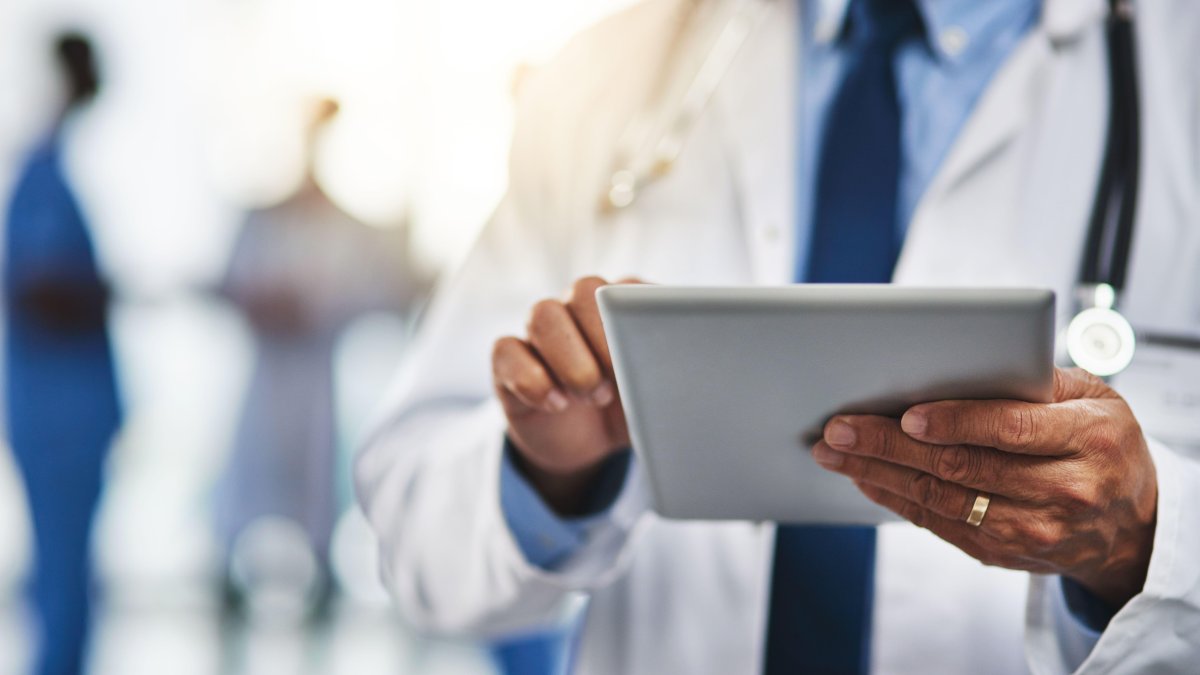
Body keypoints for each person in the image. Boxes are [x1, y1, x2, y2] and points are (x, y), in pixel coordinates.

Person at [356, 0, 1200, 673]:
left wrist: (1149, 542)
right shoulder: (605, 78)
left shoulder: (1179, 68)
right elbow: (417, 539)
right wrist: (548, 473)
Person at [215, 98, 419, 616]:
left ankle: (322, 578)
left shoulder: (348, 227)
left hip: (317, 383)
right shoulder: (262, 219)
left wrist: (317, 307)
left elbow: (382, 291)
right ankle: (229, 578)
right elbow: (231, 283)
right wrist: (262, 302)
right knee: (249, 487)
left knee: (315, 491)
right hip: (266, 378)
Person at [3, 33, 123, 675]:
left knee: (67, 578)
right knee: (61, 584)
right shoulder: (42, 171)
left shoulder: (52, 168)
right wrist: (101, 290)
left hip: (67, 411)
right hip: (59, 417)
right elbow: (40, 288)